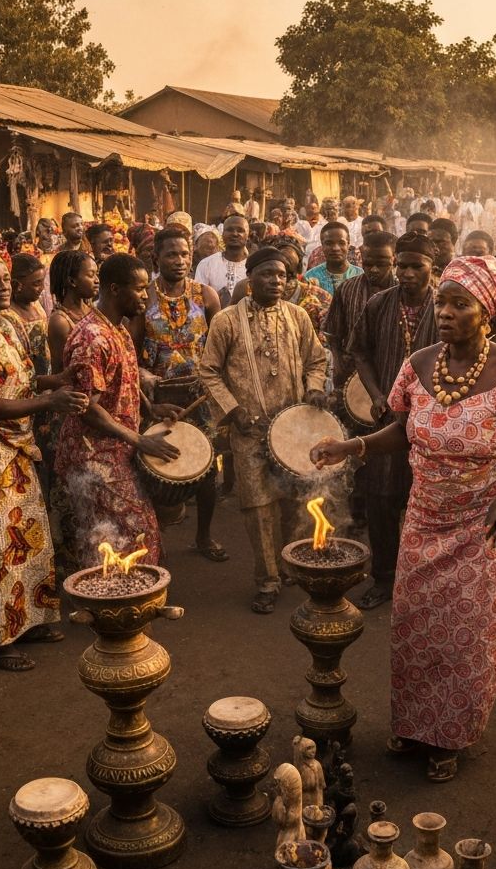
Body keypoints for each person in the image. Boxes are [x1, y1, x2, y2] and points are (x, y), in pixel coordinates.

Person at [313, 256, 496, 781]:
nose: (444, 312)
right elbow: (401, 432)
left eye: (458, 303)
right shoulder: (418, 364)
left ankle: (450, 736)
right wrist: (350, 446)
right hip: (425, 519)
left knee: (467, 635)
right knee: (415, 627)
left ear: (485, 313)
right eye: (441, 302)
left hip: (487, 522)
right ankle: (415, 724)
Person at [0, 249, 88, 672]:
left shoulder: (6, 325)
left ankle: (33, 618)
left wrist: (57, 380)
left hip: (16, 448)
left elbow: (21, 380)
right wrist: (50, 400)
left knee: (29, 535)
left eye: (5, 278)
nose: (3, 285)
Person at [199, 246, 328, 614]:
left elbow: (316, 359)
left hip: (292, 429)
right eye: (268, 274)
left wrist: (315, 386)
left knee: (291, 500)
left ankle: (288, 565)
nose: (277, 281)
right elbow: (208, 370)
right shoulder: (225, 321)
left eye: (283, 276)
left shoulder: (298, 316)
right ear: (249, 278)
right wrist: (233, 410)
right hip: (249, 430)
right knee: (257, 505)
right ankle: (267, 579)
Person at [54, 254, 178, 570]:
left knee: (128, 534)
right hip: (93, 457)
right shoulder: (92, 338)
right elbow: (87, 408)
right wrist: (139, 439)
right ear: (113, 289)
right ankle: (118, 607)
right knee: (126, 534)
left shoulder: (116, 329)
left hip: (116, 451)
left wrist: (151, 407)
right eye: (139, 289)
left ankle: (131, 603)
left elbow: (123, 376)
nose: (145, 297)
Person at [349, 231, 438, 609]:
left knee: (429, 501)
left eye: (417, 266)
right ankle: (384, 578)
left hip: (437, 422)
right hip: (387, 419)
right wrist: (376, 394)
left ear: (433, 267)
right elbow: (360, 353)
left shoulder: (448, 305)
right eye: (402, 265)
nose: (407, 272)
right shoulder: (379, 304)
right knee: (381, 499)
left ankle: (425, 580)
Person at [135, 228, 227, 561]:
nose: (180, 260)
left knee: (206, 470)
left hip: (200, 397)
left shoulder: (206, 296)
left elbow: (220, 347)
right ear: (155, 258)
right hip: (158, 400)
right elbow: (129, 353)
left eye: (185, 254)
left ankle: (204, 536)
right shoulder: (142, 297)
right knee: (155, 469)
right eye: (172, 254)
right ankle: (154, 542)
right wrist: (147, 383)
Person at [324, 231, 397, 390]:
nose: (374, 270)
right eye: (368, 264)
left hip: (392, 374)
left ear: (394, 260)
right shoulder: (347, 289)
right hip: (352, 376)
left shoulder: (403, 292)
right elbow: (333, 333)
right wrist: (338, 363)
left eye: (381, 263)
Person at [46, 249, 98, 373]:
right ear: (72, 281)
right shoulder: (60, 321)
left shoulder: (93, 310)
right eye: (91, 275)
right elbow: (59, 369)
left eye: (97, 274)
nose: (97, 280)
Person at [6, 254, 49, 375]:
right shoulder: (7, 315)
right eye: (36, 284)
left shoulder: (36, 305)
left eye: (42, 282)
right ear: (16, 285)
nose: (42, 288)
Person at [194, 213, 250, 307]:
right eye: (230, 230)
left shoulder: (254, 266)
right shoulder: (206, 264)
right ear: (223, 234)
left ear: (247, 235)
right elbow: (197, 300)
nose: (235, 234)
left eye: (240, 230)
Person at [303, 221, 362, 296]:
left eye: (341, 243)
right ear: (322, 245)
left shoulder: (360, 276)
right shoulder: (310, 277)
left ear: (348, 244)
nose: (335, 248)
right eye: (329, 243)